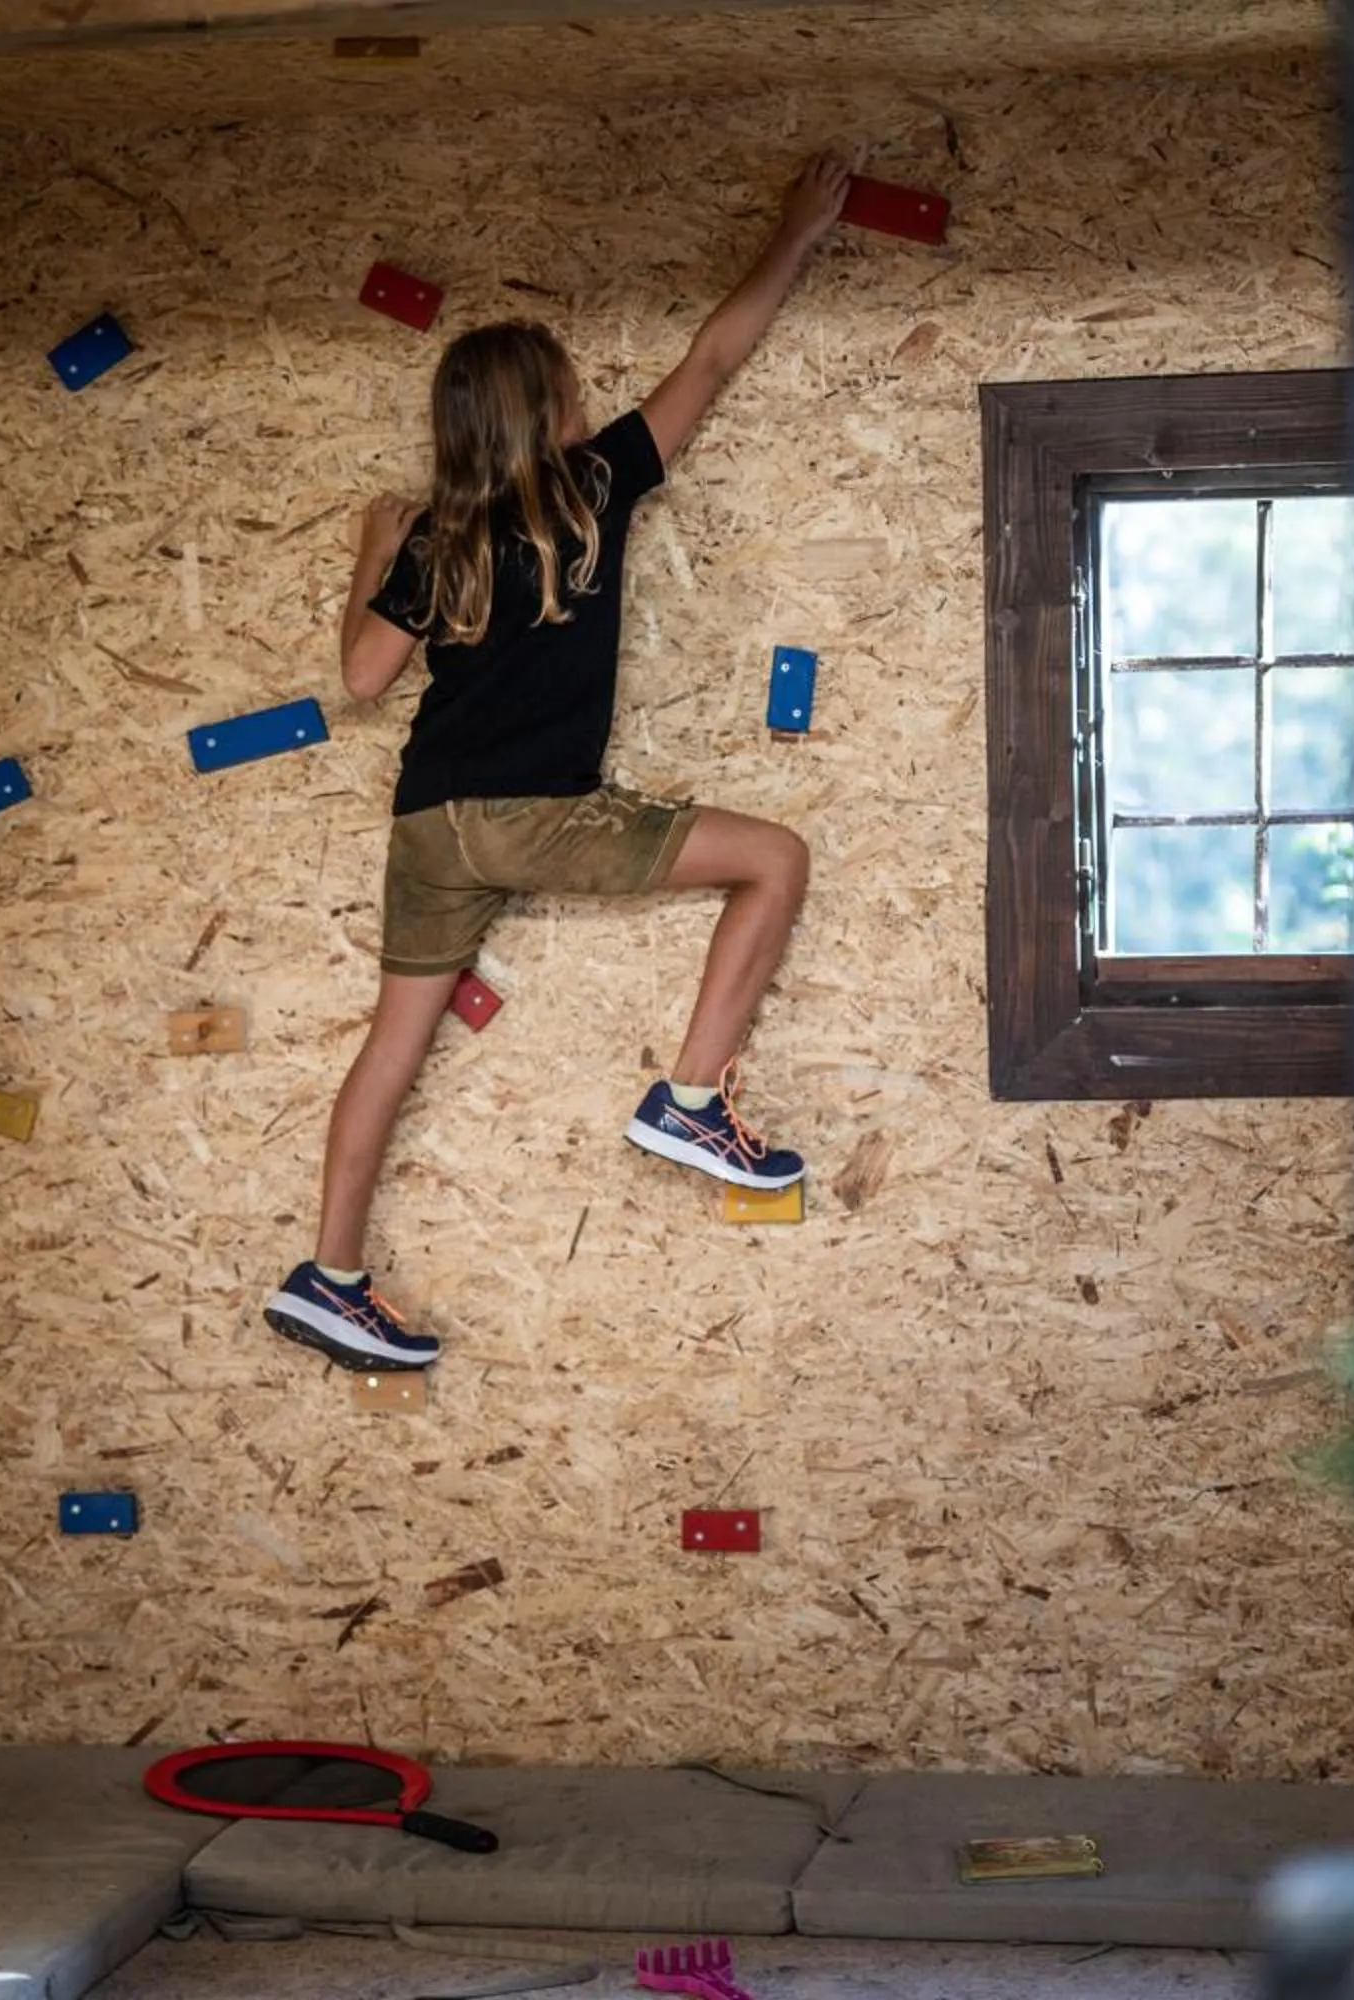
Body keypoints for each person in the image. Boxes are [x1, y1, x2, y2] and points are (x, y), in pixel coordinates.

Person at [262, 153, 854, 1371]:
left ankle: (330, 1273)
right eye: (574, 392)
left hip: (430, 821)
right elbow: (714, 360)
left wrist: (374, 554)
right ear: (547, 416)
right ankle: (691, 1103)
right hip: (536, 814)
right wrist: (793, 237)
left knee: (392, 1044)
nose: (588, 406)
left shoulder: (437, 536)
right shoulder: (591, 485)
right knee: (777, 860)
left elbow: (364, 679)